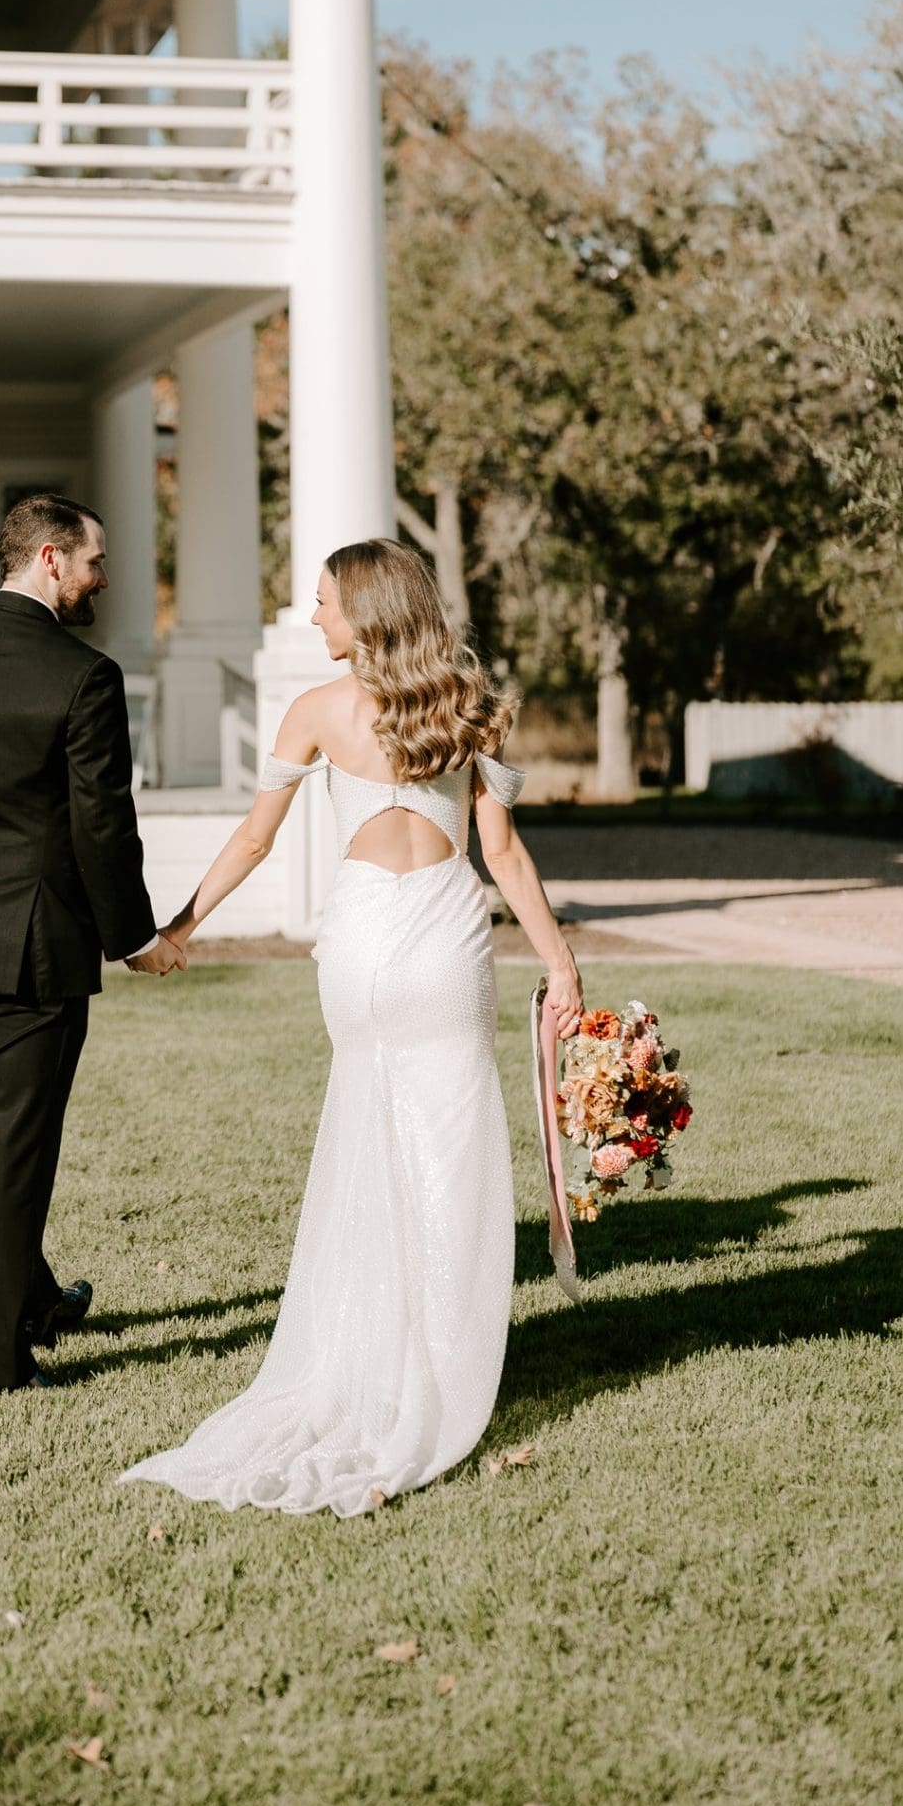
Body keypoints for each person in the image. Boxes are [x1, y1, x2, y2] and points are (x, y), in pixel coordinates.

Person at [122, 536, 582, 1514]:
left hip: (363, 947)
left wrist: (179, 927)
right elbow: (502, 853)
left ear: (366, 609)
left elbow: (256, 838)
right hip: (444, 941)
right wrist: (558, 960)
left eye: (324, 600)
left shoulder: (316, 712)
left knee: (367, 1143)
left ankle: (368, 1357)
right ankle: (439, 1365)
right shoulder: (467, 702)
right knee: (448, 1155)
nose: (314, 615)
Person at [0, 492, 184, 1396]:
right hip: (32, 947)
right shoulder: (83, 675)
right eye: (95, 562)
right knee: (16, 1152)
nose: (104, 579)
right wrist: (134, 937)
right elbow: (103, 824)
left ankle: (38, 1299)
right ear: (51, 559)